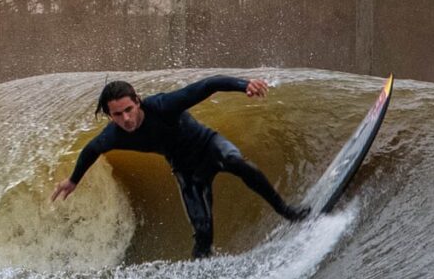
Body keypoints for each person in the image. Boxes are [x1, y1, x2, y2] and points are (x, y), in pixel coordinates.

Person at [51, 76, 310, 259]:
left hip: (210, 146)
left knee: (235, 162)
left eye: (128, 109)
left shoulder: (163, 106)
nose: (126, 119)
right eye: (117, 114)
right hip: (186, 170)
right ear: (109, 115)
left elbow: (209, 84)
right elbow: (91, 151)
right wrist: (74, 180)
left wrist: (245, 86)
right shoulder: (112, 136)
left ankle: (287, 211)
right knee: (203, 233)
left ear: (137, 102)